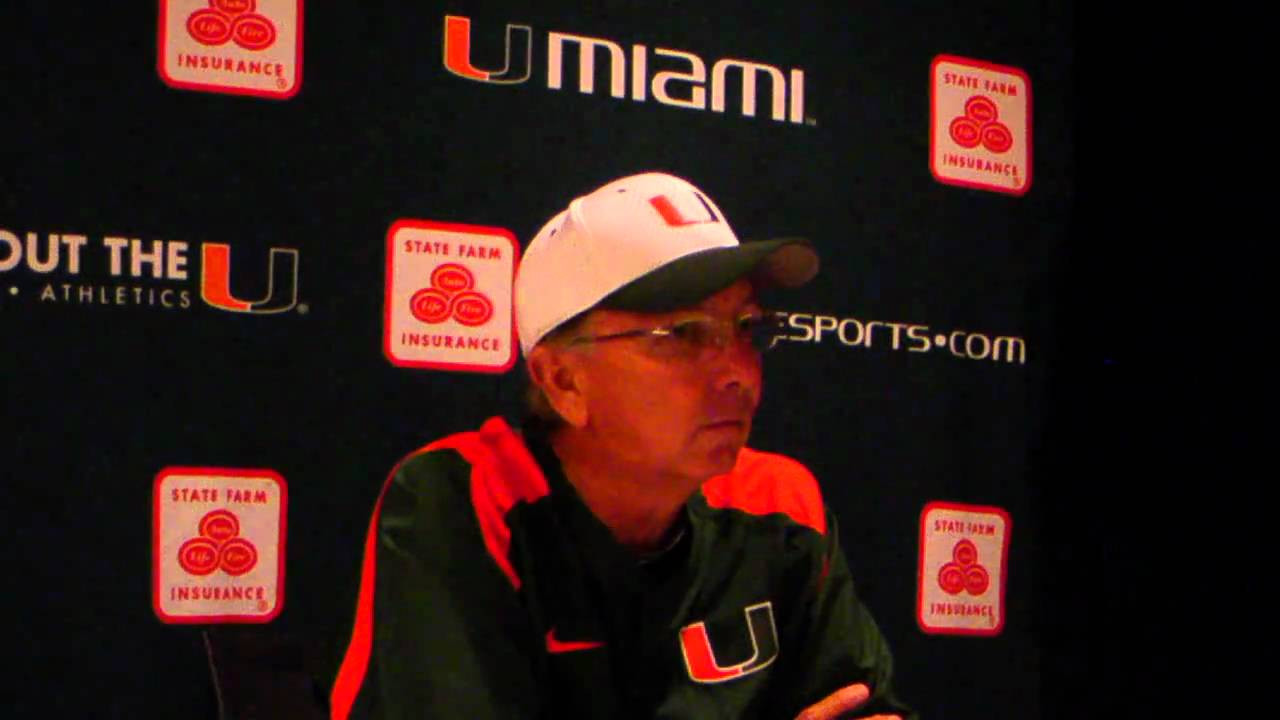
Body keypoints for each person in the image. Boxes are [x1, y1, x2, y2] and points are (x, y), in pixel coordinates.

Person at [330, 172, 915, 720]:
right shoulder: (465, 497)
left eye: (746, 328)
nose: (739, 369)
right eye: (685, 334)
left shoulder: (779, 502)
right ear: (563, 382)